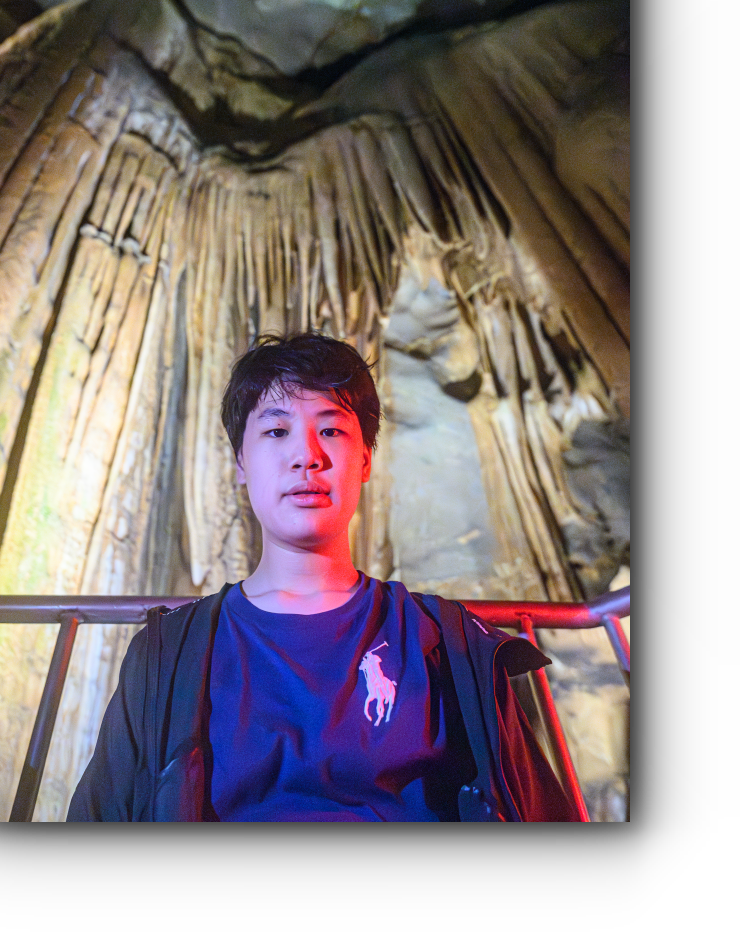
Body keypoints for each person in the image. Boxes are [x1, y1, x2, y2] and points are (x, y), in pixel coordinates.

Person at [67, 333, 579, 821]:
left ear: (365, 460)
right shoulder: (169, 657)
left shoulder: (445, 641)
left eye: (331, 430)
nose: (307, 456)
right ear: (241, 462)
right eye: (276, 431)